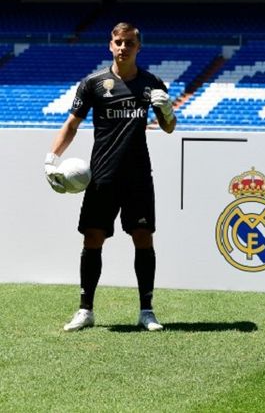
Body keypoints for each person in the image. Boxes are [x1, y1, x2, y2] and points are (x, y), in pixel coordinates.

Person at [44, 22, 176, 332]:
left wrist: (168, 112)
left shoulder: (152, 83)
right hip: (102, 175)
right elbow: (72, 124)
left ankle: (147, 311)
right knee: (93, 238)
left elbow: (168, 127)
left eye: (129, 42)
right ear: (110, 45)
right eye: (118, 41)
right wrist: (51, 159)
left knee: (143, 238)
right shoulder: (93, 83)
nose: (123, 47)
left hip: (138, 175)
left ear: (138, 47)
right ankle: (85, 310)